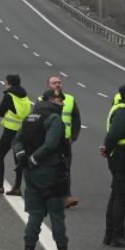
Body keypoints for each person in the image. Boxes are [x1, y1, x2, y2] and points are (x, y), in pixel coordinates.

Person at [13, 87, 75, 250]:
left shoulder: (31, 117)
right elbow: (51, 144)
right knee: (56, 214)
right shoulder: (54, 119)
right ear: (50, 101)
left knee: (35, 214)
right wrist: (34, 159)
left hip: (30, 174)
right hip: (49, 172)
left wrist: (22, 156)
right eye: (59, 100)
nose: (62, 103)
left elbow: (16, 141)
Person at [99, 80, 125, 247]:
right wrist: (107, 149)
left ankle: (110, 234)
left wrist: (108, 149)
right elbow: (114, 134)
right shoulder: (123, 112)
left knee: (116, 194)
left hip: (119, 154)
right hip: (122, 155)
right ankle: (118, 235)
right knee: (121, 196)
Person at [0, 74, 31, 196]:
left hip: (10, 131)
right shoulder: (25, 97)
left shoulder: (9, 96)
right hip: (23, 132)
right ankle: (17, 187)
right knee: (18, 159)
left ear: (9, 83)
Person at [48, 74, 82, 208]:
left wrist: (73, 137)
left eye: (59, 82)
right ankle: (49, 196)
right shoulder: (42, 100)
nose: (57, 85)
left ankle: (66, 196)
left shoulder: (70, 99)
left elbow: (77, 119)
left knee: (65, 169)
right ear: (48, 86)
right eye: (54, 83)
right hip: (49, 142)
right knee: (50, 169)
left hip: (65, 142)